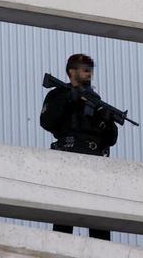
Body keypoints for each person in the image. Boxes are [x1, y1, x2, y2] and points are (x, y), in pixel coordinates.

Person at [39, 53, 118, 241]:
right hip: (67, 159)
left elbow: (111, 139)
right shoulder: (58, 94)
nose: (89, 72)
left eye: (90, 69)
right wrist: (68, 100)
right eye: (84, 68)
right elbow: (47, 122)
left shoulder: (96, 100)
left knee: (99, 223)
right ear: (71, 72)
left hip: (95, 163)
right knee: (64, 222)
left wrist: (106, 121)